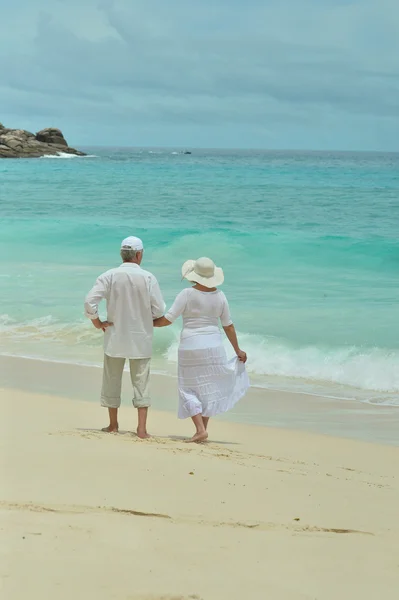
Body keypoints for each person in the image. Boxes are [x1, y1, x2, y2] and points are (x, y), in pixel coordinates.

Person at [154, 257, 249, 442]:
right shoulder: (220, 296)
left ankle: (200, 430)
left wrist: (149, 323)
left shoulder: (187, 294)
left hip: (191, 346)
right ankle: (202, 429)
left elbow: (168, 319)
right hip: (214, 347)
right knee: (209, 389)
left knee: (188, 388)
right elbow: (228, 326)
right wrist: (238, 349)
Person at [84, 236, 165, 438]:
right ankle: (141, 429)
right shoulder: (148, 278)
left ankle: (113, 425)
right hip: (140, 338)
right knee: (141, 382)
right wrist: (149, 320)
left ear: (122, 254)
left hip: (115, 337)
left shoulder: (109, 276)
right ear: (139, 255)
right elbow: (160, 309)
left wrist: (97, 322)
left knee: (112, 380)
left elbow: (89, 302)